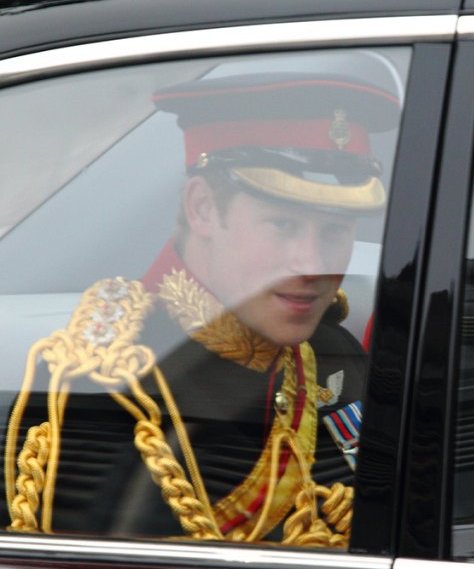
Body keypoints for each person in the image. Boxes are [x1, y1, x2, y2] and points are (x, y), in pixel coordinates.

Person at [3, 72, 399, 546]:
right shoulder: (109, 387)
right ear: (204, 208)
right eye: (283, 224)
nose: (314, 263)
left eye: (334, 231)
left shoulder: (333, 351)